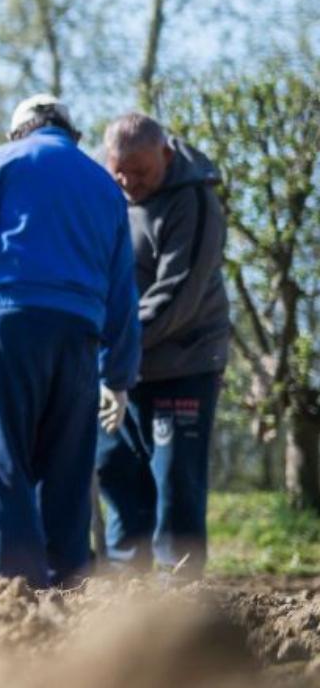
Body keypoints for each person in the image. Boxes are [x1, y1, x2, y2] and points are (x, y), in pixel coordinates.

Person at [0, 94, 141, 588]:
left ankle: (18, 584)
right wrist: (118, 375)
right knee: (67, 464)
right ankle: (69, 581)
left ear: (20, 130)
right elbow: (122, 287)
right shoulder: (104, 185)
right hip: (80, 335)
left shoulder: (1, 161)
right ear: (70, 133)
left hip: (11, 322)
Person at [97, 113, 230, 578]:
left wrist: (113, 343)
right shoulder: (107, 199)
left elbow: (178, 296)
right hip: (123, 371)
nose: (130, 182)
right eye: (120, 171)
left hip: (183, 366)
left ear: (167, 156)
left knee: (175, 486)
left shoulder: (193, 202)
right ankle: (124, 602)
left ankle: (180, 604)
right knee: (117, 476)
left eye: (142, 172)